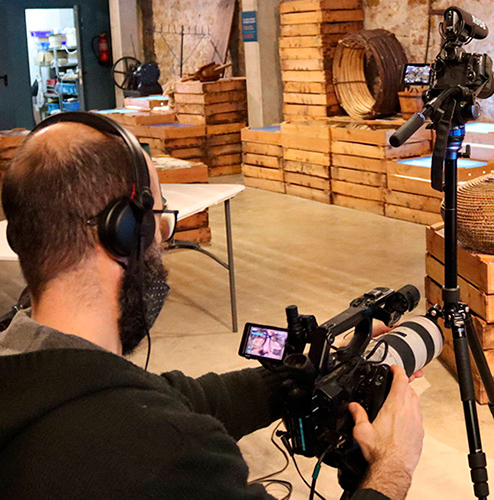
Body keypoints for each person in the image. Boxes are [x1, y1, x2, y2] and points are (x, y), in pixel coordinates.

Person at [0, 115, 424, 498]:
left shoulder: (39, 374)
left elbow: (180, 395)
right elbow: (162, 420)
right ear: (126, 233)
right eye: (160, 219)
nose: (163, 238)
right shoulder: (171, 456)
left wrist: (312, 372)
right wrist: (391, 467)